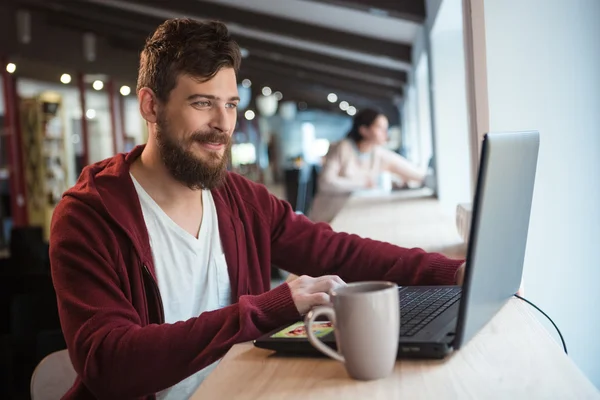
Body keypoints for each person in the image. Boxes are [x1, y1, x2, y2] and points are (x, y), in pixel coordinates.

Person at [49, 19, 465, 400]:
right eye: (201, 103)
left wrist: (451, 272)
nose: (223, 123)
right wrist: (270, 307)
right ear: (150, 106)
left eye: (230, 104)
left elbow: (337, 251)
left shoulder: (239, 198)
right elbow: (109, 363)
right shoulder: (88, 216)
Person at [308, 109, 427, 223]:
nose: (386, 133)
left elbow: (416, 174)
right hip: (327, 217)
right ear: (364, 130)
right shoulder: (341, 148)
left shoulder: (378, 153)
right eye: (380, 128)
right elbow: (325, 183)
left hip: (352, 216)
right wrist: (363, 184)